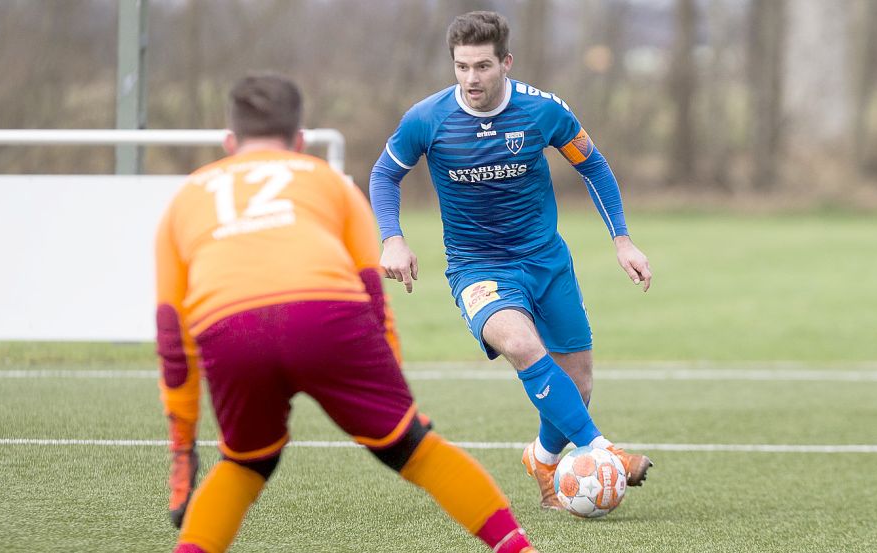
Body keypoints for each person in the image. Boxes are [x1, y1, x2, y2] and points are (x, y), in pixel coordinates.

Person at [155, 74, 539, 553]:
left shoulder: (186, 197)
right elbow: (371, 295)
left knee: (243, 465)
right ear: (300, 141)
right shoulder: (329, 182)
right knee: (415, 450)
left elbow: (171, 331)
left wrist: (181, 445)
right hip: (327, 320)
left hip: (230, 330)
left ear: (229, 142)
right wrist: (394, 387)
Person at [369, 11, 653, 511]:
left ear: (506, 62)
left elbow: (594, 166)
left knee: (578, 383)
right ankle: (602, 450)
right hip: (477, 269)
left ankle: (542, 458)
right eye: (461, 67)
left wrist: (622, 240)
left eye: (482, 66)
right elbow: (383, 175)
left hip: (547, 262)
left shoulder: (543, 112)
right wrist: (392, 238)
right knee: (522, 344)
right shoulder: (427, 119)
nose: (471, 79)